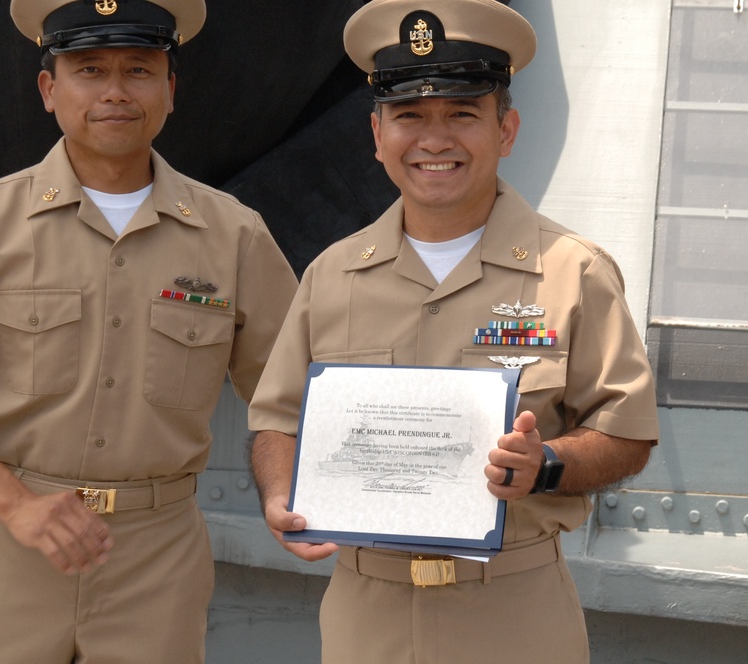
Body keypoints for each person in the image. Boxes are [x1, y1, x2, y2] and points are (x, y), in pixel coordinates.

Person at [248, 1, 660, 662]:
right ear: (377, 134)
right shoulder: (331, 275)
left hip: (513, 612)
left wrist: (547, 465)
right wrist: (277, 490)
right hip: (365, 615)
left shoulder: (574, 272)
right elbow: (276, 418)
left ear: (507, 129)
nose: (434, 141)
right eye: (410, 116)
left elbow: (627, 433)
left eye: (463, 115)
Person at [0, 0, 298, 661]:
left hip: (158, 556)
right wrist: (16, 507)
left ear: (170, 90)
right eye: (89, 70)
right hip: (7, 545)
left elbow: (292, 392)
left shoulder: (235, 235)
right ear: (49, 89)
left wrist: (284, 491)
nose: (115, 92)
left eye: (138, 69)